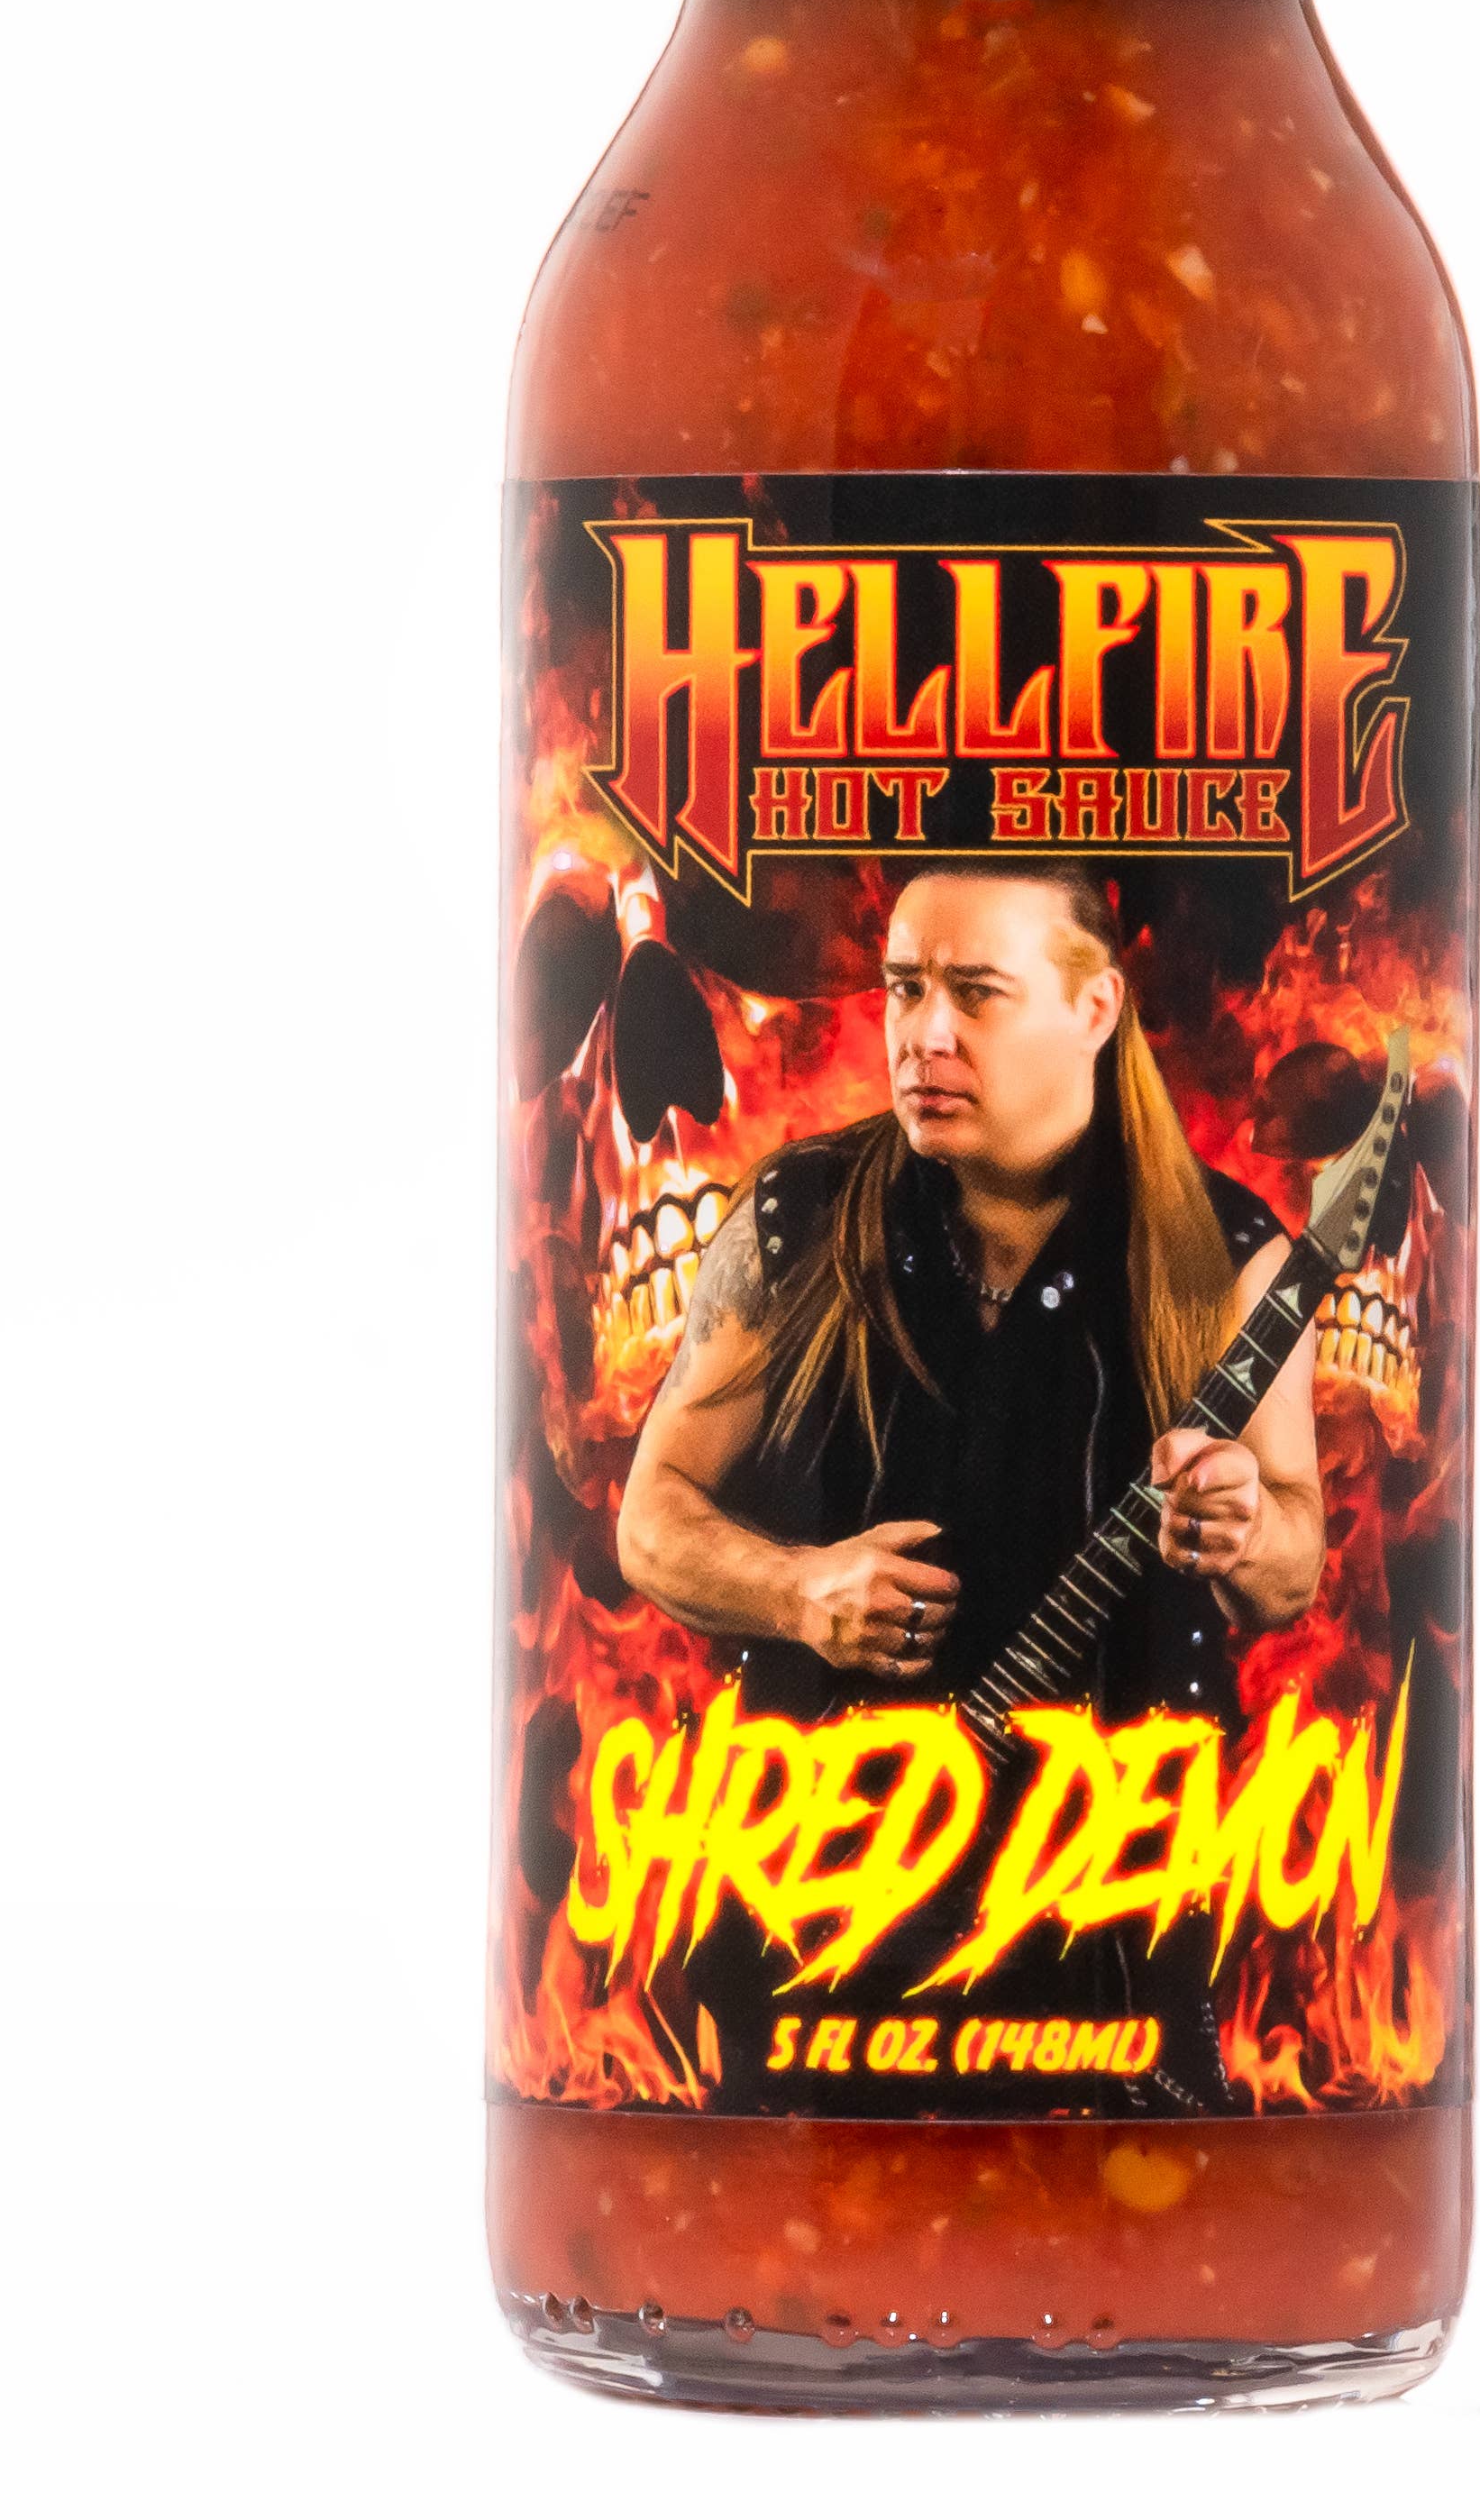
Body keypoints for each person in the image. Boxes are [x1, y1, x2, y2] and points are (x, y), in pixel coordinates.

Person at [614, 862, 1324, 2108]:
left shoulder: (1231, 1255)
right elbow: (650, 1516)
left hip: (1113, 1946)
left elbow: (1291, 1568)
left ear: (1095, 1008)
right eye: (905, 988)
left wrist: (1246, 1522)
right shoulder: (794, 1220)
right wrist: (796, 1589)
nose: (923, 1033)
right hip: (819, 1939)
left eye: (975, 993)